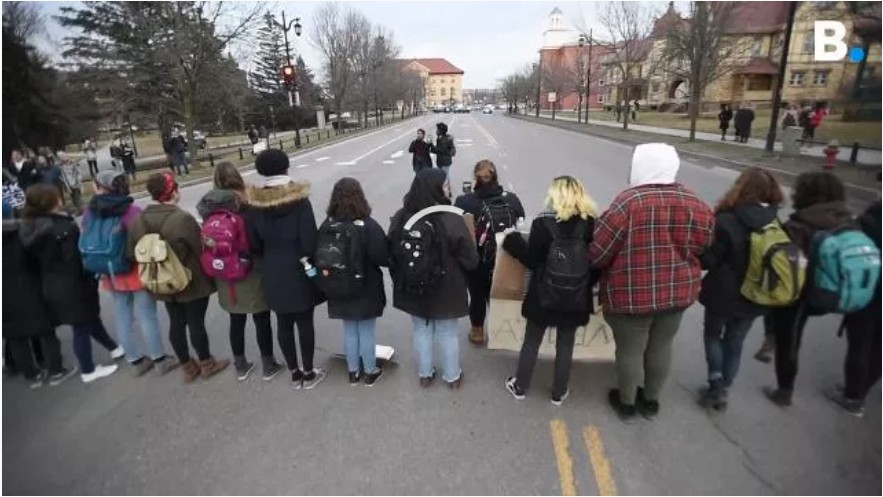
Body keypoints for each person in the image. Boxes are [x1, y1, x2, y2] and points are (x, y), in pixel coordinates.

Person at [590, 143, 714, 421]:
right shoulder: (695, 202)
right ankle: (651, 400)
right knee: (661, 345)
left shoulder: (627, 203)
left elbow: (598, 252)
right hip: (678, 293)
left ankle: (626, 402)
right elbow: (706, 244)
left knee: (630, 350)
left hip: (632, 295)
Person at [501, 176, 597, 405]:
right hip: (575, 295)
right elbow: (594, 260)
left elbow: (533, 260)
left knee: (532, 340)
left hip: (544, 294)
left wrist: (513, 242)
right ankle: (558, 392)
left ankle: (520, 386)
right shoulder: (590, 223)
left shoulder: (542, 223)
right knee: (566, 343)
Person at [128, 172, 229, 383]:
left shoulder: (139, 220)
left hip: (160, 281)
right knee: (195, 323)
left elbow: (132, 253)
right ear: (173, 192)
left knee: (176, 322)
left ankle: (187, 367)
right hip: (189, 281)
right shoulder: (182, 219)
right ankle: (207, 363)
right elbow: (200, 250)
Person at [763, 172, 853, 407]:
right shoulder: (847, 219)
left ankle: (785, 390)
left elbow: (784, 262)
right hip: (832, 288)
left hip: (798, 293)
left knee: (790, 339)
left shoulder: (798, 224)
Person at [698, 168, 785, 409]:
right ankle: (725, 387)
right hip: (755, 295)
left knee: (713, 335)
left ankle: (715, 382)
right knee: (736, 341)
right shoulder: (774, 222)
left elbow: (708, 260)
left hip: (722, 295)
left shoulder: (726, 220)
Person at [18, 184, 123, 384]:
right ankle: (88, 369)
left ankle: (114, 347)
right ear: (51, 201)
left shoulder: (29, 227)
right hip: (73, 283)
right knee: (81, 327)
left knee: (88, 319)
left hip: (50, 283)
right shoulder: (63, 227)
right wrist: (91, 275)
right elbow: (74, 259)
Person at [388, 168, 478, 389]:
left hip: (414, 286)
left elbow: (390, 251)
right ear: (436, 189)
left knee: (421, 330)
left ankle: (425, 374)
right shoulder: (451, 217)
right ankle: (452, 376)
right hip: (447, 288)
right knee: (447, 333)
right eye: (446, 185)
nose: (449, 189)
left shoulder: (403, 216)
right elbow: (471, 259)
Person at [246, 149, 326, 389]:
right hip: (298, 266)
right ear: (286, 166)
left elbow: (253, 242)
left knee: (283, 322)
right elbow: (309, 239)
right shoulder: (300, 200)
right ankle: (309, 372)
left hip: (272, 266)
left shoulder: (256, 203)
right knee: (304, 321)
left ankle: (294, 372)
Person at [85, 170, 178, 377]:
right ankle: (159, 359)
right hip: (135, 271)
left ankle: (135, 360)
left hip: (109, 272)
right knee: (146, 315)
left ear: (100, 186)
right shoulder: (131, 210)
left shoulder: (89, 212)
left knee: (123, 316)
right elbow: (144, 239)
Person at [197, 162, 283, 382]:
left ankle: (241, 365)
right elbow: (258, 240)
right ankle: (268, 364)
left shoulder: (208, 209)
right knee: (260, 317)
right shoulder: (247, 206)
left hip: (225, 272)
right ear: (238, 179)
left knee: (236, 319)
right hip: (251, 269)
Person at [319, 177, 390, 385]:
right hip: (365, 286)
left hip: (338, 285)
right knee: (366, 331)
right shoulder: (367, 225)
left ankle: (352, 371)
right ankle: (370, 370)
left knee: (350, 330)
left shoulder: (328, 224)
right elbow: (382, 257)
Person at [453, 160, 524, 344]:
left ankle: (477, 332)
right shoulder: (512, 199)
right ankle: (503, 331)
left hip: (476, 259)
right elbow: (521, 224)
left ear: (475, 178)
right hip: (505, 257)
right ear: (496, 176)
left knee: (477, 295)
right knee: (501, 294)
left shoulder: (464, 201)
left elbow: (456, 230)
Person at [3, 209, 72, 388]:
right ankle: (56, 370)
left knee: (16, 338)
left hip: (5, 297)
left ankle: (31, 376)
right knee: (45, 331)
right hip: (31, 287)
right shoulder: (22, 233)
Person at [825, 200, 881, 416]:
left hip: (869, 290)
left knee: (860, 344)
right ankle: (860, 390)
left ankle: (853, 397)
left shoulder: (874, 217)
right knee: (878, 349)